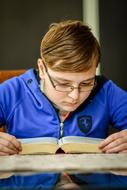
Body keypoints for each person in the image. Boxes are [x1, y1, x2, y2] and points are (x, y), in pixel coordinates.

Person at [0, 20, 127, 188]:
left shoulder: (105, 91)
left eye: (86, 83)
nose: (74, 96)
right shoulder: (12, 91)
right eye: (63, 83)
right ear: (42, 69)